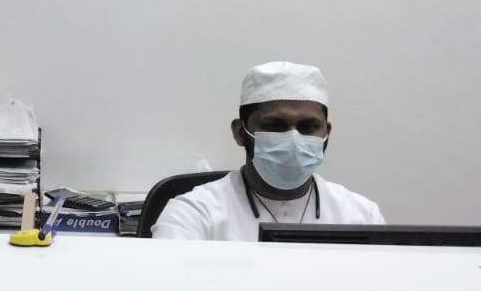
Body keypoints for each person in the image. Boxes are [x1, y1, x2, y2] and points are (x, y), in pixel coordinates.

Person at [152, 61, 383, 240]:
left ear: (327, 133)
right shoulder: (193, 214)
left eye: (308, 127)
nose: (294, 139)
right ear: (240, 132)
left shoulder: (361, 216)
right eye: (275, 126)